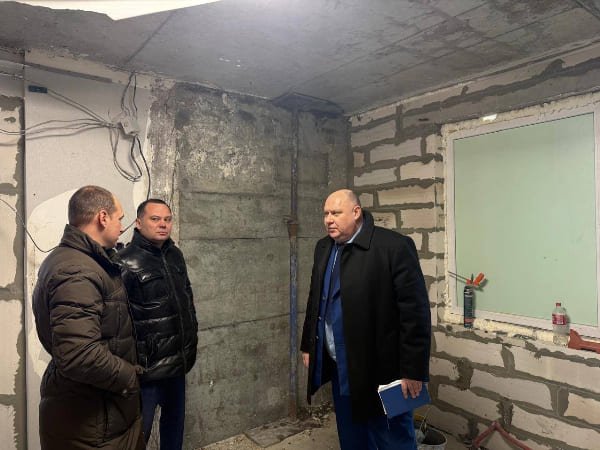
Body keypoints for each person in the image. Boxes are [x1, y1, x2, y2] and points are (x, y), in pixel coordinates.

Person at [300, 189, 431, 450]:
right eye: (326, 214)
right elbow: (316, 299)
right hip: (341, 367)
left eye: (336, 213)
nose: (328, 219)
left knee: (393, 439)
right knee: (352, 436)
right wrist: (308, 345)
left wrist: (413, 370)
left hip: (385, 371)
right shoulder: (324, 247)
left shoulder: (393, 247)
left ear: (356, 212)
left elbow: (415, 313)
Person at [32, 185, 144, 450]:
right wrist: (130, 378)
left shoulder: (84, 261)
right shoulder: (76, 270)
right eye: (119, 218)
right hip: (92, 423)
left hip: (102, 414)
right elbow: (79, 354)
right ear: (103, 217)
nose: (122, 226)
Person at [119, 199, 198, 450]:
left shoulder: (175, 255)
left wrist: (191, 339)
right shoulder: (124, 261)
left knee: (174, 430)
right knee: (137, 436)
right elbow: (118, 320)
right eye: (155, 219)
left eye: (167, 219)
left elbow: (187, 298)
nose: (163, 224)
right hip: (147, 371)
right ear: (138, 223)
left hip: (177, 363)